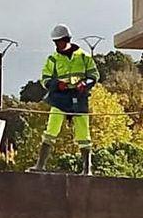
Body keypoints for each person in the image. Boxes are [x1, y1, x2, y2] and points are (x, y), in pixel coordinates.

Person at [32, 24, 99, 175]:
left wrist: (85, 83)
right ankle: (40, 166)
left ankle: (87, 169)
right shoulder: (53, 59)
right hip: (59, 99)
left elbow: (94, 75)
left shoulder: (84, 57)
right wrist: (56, 84)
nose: (58, 45)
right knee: (50, 131)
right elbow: (45, 78)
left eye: (60, 41)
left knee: (84, 134)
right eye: (55, 42)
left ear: (67, 39)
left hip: (79, 97)